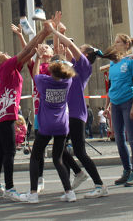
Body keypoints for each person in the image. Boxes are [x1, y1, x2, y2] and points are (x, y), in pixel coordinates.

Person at [0, 19, 52, 201]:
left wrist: (41, 36)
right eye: (4, 53)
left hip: (3, 113)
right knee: (10, 152)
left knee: (2, 152)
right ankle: (9, 188)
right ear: (0, 61)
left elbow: (30, 51)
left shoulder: (11, 67)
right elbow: (26, 50)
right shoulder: (6, 67)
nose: (8, 54)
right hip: (3, 114)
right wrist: (44, 33)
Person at [20, 25, 78, 204]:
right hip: (62, 124)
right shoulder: (67, 82)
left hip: (46, 124)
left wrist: (38, 57)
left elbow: (35, 73)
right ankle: (69, 192)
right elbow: (68, 66)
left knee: (35, 157)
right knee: (58, 159)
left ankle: (33, 193)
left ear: (51, 70)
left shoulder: (44, 82)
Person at [51, 19, 108, 198]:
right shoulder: (73, 66)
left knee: (80, 152)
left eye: (80, 49)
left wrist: (56, 30)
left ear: (84, 54)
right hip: (67, 114)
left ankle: (100, 185)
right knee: (58, 150)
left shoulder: (84, 66)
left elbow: (68, 45)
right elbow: (62, 50)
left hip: (76, 114)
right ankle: (74, 180)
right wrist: (57, 31)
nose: (76, 51)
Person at [104, 34, 133, 187]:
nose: (116, 45)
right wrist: (107, 105)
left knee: (132, 137)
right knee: (119, 139)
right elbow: (110, 86)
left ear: (127, 44)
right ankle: (126, 170)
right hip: (115, 102)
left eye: (118, 42)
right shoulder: (113, 63)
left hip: (128, 101)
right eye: (115, 42)